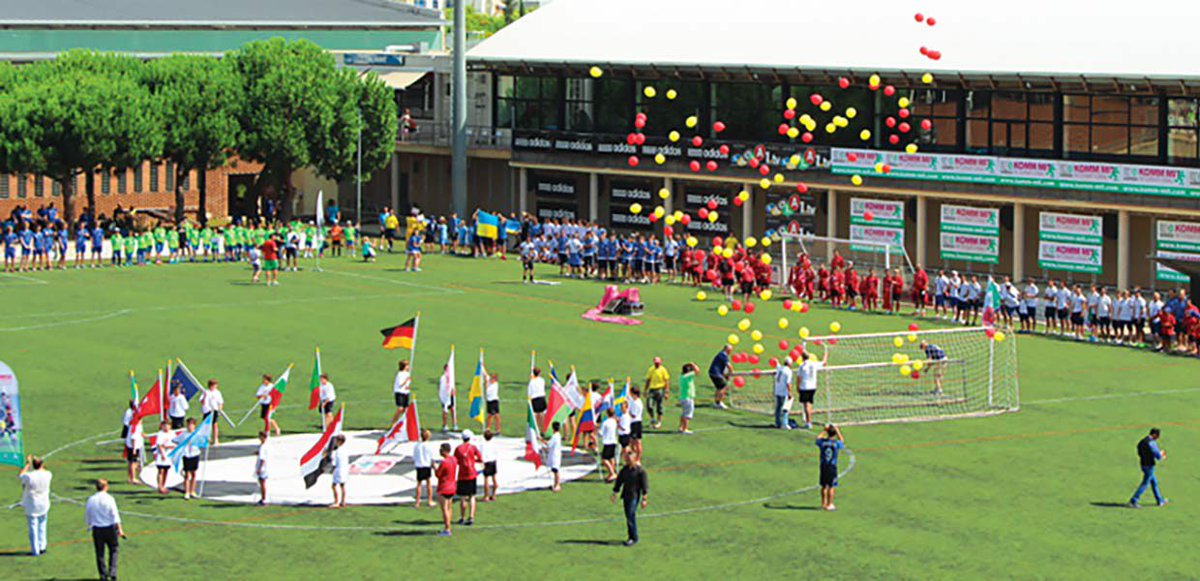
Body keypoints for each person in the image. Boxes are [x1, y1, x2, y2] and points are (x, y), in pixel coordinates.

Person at [85, 479, 125, 581]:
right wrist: (120, 529)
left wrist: (89, 524)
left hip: (97, 529)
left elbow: (88, 514)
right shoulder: (109, 499)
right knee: (114, 549)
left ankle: (103, 575)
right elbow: (115, 515)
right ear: (105, 487)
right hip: (109, 528)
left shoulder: (91, 499)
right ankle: (112, 571)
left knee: (100, 552)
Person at [611, 450, 649, 547]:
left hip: (634, 496)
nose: (627, 461)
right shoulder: (624, 470)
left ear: (634, 459)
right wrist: (614, 493)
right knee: (628, 516)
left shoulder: (640, 471)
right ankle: (631, 536)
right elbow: (619, 482)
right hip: (626, 495)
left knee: (630, 515)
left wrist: (644, 499)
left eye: (629, 459)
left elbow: (645, 486)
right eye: (626, 459)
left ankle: (633, 537)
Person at [18, 455, 52, 557]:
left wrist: (27, 465)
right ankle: (42, 547)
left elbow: (21, 476)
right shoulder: (48, 474)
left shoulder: (29, 476)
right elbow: (43, 470)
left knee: (33, 527)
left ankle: (35, 550)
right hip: (43, 503)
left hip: (32, 504)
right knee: (42, 525)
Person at [1129, 428, 1168, 508]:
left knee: (1154, 482)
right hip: (1149, 466)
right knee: (1145, 483)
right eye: (1157, 436)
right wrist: (1162, 454)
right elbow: (1158, 456)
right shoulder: (1151, 443)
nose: (1157, 438)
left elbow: (1139, 451)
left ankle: (1159, 500)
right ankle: (1133, 501)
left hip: (1143, 464)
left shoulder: (1142, 441)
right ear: (1154, 435)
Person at [796, 345, 829, 429]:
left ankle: (808, 422)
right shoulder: (814, 364)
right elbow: (824, 363)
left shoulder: (802, 366)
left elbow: (799, 378)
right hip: (813, 387)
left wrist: (797, 387)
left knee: (806, 405)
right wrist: (826, 353)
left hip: (805, 387)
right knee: (809, 404)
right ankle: (808, 420)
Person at [455, 430, 483, 526]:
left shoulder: (458, 448)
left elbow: (456, 460)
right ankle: (471, 516)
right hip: (472, 473)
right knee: (472, 496)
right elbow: (480, 458)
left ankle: (462, 517)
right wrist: (473, 460)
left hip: (462, 475)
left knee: (463, 497)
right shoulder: (473, 447)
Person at [816, 424, 845, 511]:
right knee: (831, 486)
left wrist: (824, 430)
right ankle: (829, 504)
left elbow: (817, 439)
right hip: (832, 466)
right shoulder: (836, 443)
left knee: (824, 486)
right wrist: (837, 430)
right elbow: (842, 440)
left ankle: (823, 504)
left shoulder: (822, 442)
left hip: (823, 465)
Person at [435, 443, 457, 536]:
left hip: (444, 487)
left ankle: (447, 529)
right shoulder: (454, 459)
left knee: (444, 509)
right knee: (449, 508)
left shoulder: (444, 462)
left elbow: (438, 474)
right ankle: (448, 526)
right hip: (452, 486)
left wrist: (434, 467)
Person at [643, 357, 670, 429]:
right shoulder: (651, 369)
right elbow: (648, 380)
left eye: (658, 363)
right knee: (649, 405)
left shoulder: (663, 370)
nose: (657, 364)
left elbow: (666, 381)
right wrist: (645, 390)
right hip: (652, 389)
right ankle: (652, 419)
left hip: (660, 389)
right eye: (655, 363)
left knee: (659, 406)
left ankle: (659, 422)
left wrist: (666, 392)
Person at [413, 429, 436, 508]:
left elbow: (414, 456)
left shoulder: (417, 445)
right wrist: (434, 466)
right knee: (428, 483)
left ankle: (417, 502)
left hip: (419, 465)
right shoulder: (428, 446)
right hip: (426, 465)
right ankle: (429, 500)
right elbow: (431, 457)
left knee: (419, 484)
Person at [180, 418, 202, 500]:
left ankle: (192, 491)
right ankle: (187, 492)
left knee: (194, 473)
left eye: (192, 425)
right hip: (187, 455)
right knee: (187, 474)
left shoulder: (197, 434)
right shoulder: (184, 434)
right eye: (189, 425)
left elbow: (202, 442)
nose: (190, 426)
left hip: (195, 454)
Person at [152, 420, 176, 494]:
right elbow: (160, 445)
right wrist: (162, 454)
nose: (166, 427)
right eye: (165, 426)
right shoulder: (160, 434)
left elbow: (175, 443)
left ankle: (163, 485)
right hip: (162, 455)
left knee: (166, 470)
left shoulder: (172, 433)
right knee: (161, 470)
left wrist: (169, 447)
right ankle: (160, 486)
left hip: (169, 454)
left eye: (168, 425)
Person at [200, 379, 224, 445]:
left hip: (214, 410)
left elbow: (220, 402)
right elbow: (202, 402)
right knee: (206, 425)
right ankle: (207, 439)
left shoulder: (217, 392)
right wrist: (204, 397)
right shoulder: (206, 392)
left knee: (215, 424)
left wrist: (219, 410)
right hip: (207, 410)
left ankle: (216, 440)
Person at [598, 408, 619, 481]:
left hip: (607, 442)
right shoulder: (614, 422)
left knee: (604, 459)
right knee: (611, 458)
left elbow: (600, 433)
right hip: (613, 441)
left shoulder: (605, 423)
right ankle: (611, 473)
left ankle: (612, 473)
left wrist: (596, 430)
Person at [708, 345, 733, 409]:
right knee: (723, 387)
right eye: (730, 350)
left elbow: (723, 367)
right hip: (715, 373)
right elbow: (729, 366)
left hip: (712, 373)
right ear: (728, 350)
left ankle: (716, 402)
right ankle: (719, 403)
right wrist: (731, 373)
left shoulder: (721, 354)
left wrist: (726, 375)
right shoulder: (723, 355)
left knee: (719, 387)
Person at [773, 357, 794, 430]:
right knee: (786, 408)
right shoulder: (788, 371)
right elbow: (788, 383)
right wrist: (790, 392)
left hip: (777, 390)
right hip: (783, 392)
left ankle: (777, 422)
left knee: (778, 408)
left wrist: (777, 361)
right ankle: (784, 423)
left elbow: (778, 365)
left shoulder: (780, 368)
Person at [677, 363, 697, 434]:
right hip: (688, 398)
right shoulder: (688, 376)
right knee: (687, 414)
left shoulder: (681, 377)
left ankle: (681, 427)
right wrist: (693, 364)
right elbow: (697, 371)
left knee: (683, 413)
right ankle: (684, 428)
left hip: (682, 397)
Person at [391, 360, 412, 427]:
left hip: (406, 392)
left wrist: (408, 386)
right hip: (399, 392)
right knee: (400, 408)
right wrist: (406, 380)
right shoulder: (400, 374)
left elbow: (407, 384)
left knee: (406, 409)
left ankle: (404, 423)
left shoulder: (407, 373)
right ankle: (394, 422)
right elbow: (400, 384)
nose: (408, 366)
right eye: (407, 365)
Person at [330, 434, 348, 508]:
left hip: (338, 470)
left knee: (333, 486)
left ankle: (336, 501)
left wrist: (332, 470)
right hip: (344, 470)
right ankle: (343, 501)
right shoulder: (345, 450)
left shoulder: (337, 451)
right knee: (342, 486)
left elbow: (334, 462)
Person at [481, 430, 499, 502]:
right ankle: (494, 495)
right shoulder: (493, 444)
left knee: (486, 479)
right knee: (494, 478)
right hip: (493, 461)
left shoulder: (483, 445)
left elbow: (481, 454)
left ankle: (486, 496)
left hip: (486, 462)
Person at [546, 421, 564, 492]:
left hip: (555, 455)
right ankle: (555, 484)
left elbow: (549, 444)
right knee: (554, 470)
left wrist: (541, 440)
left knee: (556, 470)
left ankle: (557, 485)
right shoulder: (558, 435)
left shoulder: (555, 436)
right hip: (556, 454)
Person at [255, 430, 270, 505]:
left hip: (263, 469)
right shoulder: (265, 445)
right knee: (262, 483)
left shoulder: (263, 447)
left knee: (262, 483)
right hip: (266, 468)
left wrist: (259, 469)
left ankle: (264, 499)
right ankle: (263, 498)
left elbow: (262, 459)